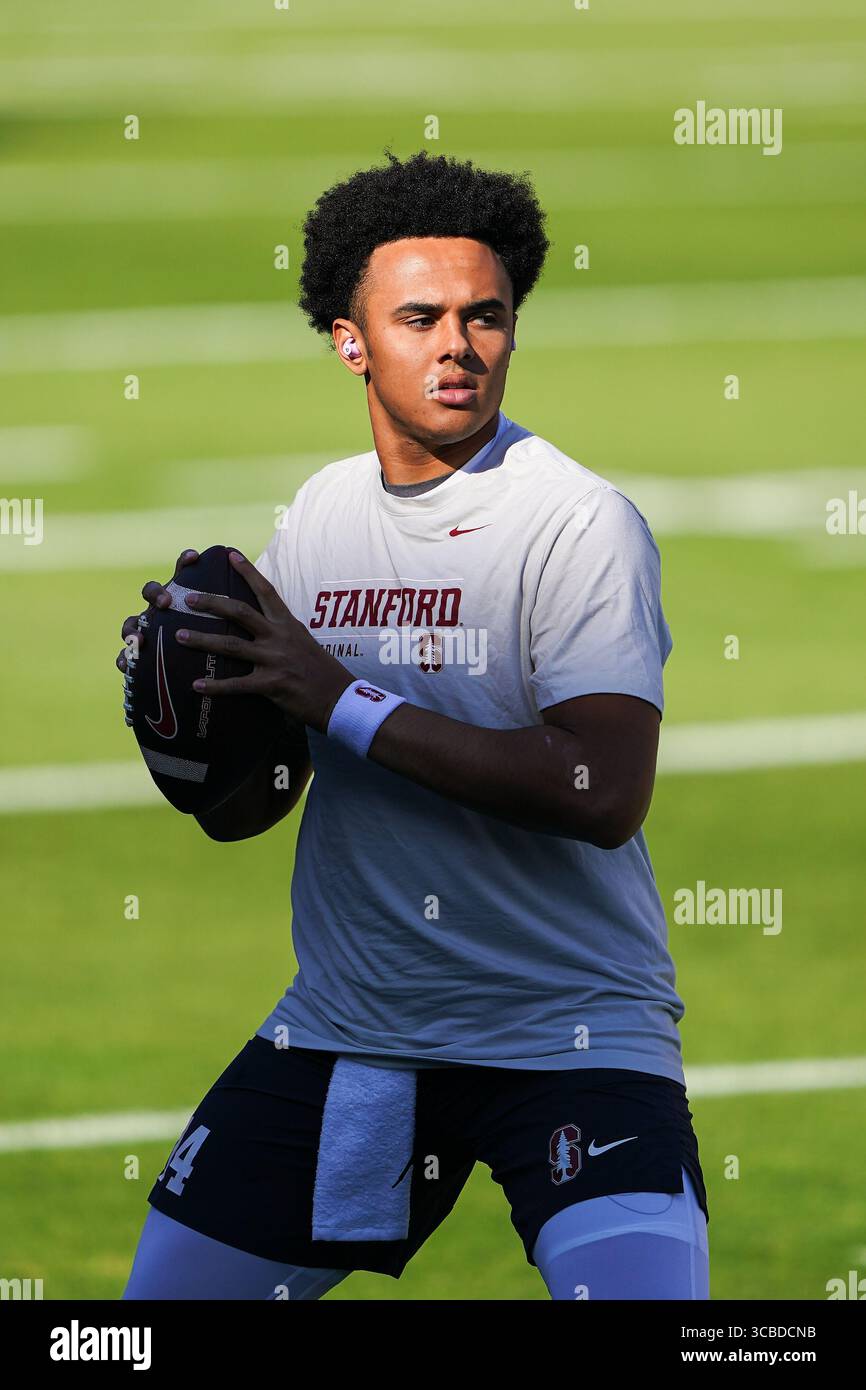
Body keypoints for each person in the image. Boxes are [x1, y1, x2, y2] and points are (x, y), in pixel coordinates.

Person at [118, 150, 709, 1301]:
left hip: (570, 1037)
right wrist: (196, 733)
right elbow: (256, 808)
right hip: (354, 1028)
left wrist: (334, 694)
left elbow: (599, 791)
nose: (458, 345)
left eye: (485, 316)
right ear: (350, 342)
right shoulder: (325, 511)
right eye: (421, 317)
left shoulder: (575, 522)